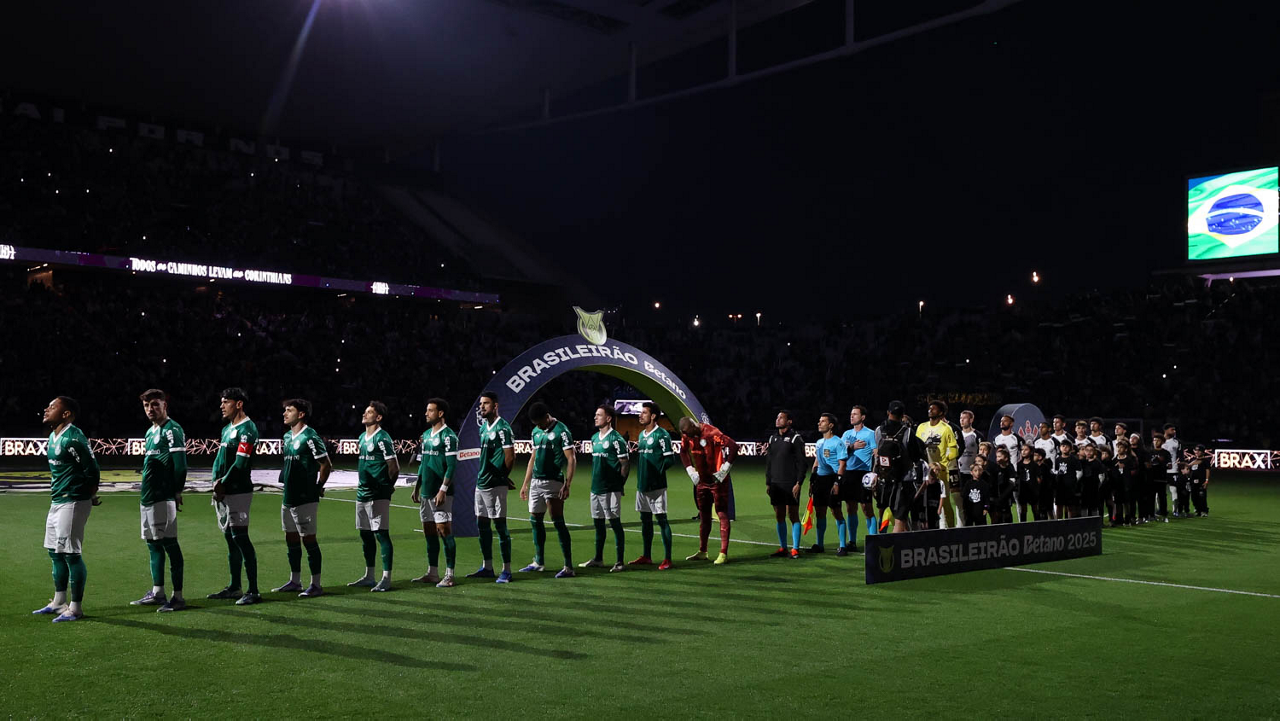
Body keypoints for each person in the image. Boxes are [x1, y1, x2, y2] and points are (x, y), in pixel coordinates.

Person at [33, 396, 100, 623]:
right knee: (55, 552)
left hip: (72, 502)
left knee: (72, 554)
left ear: (66, 414)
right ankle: (59, 601)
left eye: (52, 407)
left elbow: (92, 470)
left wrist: (89, 495)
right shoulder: (53, 436)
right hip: (57, 501)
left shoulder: (74, 438)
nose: (46, 409)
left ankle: (76, 608)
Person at [133, 389, 187, 612]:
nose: (150, 409)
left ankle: (178, 597)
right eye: (146, 405)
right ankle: (158, 593)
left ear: (165, 405)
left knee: (170, 544)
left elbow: (180, 466)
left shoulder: (172, 429)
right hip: (148, 496)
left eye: (155, 404)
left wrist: (176, 491)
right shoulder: (150, 432)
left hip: (163, 497)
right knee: (153, 544)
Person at [207, 387, 262, 606]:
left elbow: (240, 463)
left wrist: (222, 482)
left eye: (226, 402)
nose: (221, 406)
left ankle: (254, 590)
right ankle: (234, 587)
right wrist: (215, 481)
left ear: (239, 404)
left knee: (241, 538)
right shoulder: (226, 429)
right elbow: (219, 459)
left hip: (239, 491)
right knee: (230, 539)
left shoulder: (248, 429)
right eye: (221, 402)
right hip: (224, 492)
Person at [272, 398, 331, 598]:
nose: (285, 413)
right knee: (290, 538)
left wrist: (318, 486)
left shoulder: (310, 436)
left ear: (301, 414)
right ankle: (295, 581)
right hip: (288, 496)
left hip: (305, 497)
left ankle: (316, 584)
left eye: (289, 410)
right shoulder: (287, 437)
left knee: (309, 540)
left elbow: (325, 464)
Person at [518, 401, 576, 578]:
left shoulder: (562, 431)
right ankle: (539, 562)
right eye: (535, 424)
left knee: (558, 521)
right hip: (536, 481)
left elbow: (571, 458)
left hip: (553, 481)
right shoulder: (536, 432)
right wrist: (525, 484)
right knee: (535, 520)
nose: (538, 426)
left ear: (547, 417)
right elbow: (533, 458)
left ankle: (568, 566)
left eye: (540, 423)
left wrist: (567, 484)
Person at [350, 401, 399, 592]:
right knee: (365, 534)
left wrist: (387, 488)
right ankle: (369, 576)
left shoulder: (383, 438)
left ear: (378, 417)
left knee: (381, 534)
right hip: (362, 492)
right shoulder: (362, 437)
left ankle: (386, 578)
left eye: (369, 412)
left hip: (377, 495)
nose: (364, 414)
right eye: (365, 411)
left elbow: (394, 467)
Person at [467, 391, 515, 582]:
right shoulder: (483, 428)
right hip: (481, 482)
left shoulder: (503, 428)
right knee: (482, 525)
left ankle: (507, 570)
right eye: (481, 404)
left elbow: (510, 456)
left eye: (486, 403)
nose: (482, 407)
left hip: (495, 485)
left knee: (500, 526)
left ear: (495, 406)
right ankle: (487, 566)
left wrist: (502, 477)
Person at [412, 398, 459, 587]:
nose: (426, 413)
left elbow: (452, 466)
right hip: (426, 491)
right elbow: (423, 463)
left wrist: (443, 490)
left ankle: (450, 575)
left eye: (430, 410)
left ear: (440, 413)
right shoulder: (426, 435)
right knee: (429, 532)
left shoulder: (449, 436)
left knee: (444, 530)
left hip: (441, 493)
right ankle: (432, 573)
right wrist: (417, 487)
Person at [679, 416, 737, 565]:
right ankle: (702, 551)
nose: (687, 436)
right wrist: (690, 470)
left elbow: (733, 446)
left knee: (722, 513)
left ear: (694, 426)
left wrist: (724, 469)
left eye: (688, 433)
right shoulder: (687, 435)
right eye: (685, 434)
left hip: (717, 481)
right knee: (704, 516)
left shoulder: (712, 433)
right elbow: (683, 452)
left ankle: (723, 553)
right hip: (702, 482)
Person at [581, 405, 630, 572]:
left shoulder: (616, 439)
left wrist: (620, 485)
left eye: (599, 415)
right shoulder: (594, 438)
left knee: (615, 524)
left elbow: (625, 464)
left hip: (610, 489)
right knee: (598, 524)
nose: (595, 417)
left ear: (608, 418)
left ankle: (620, 562)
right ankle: (598, 559)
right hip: (595, 488)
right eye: (595, 414)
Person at [632, 401, 677, 569]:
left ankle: (668, 559)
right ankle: (647, 556)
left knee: (662, 520)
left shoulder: (662, 435)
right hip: (642, 485)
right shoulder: (641, 435)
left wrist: (656, 472)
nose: (640, 415)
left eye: (644, 413)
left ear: (653, 416)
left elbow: (670, 459)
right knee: (645, 520)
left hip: (656, 487)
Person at [874, 400, 928, 533]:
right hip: (904, 480)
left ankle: (889, 541)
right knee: (900, 518)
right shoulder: (907, 432)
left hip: (884, 479)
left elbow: (878, 452)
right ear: (902, 414)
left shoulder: (879, 430)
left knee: (887, 512)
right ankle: (895, 545)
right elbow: (916, 456)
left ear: (888, 412)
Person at [765, 410, 807, 558]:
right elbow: (769, 462)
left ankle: (795, 548)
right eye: (777, 417)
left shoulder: (796, 438)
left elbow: (802, 463)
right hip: (775, 483)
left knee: (793, 515)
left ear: (789, 421)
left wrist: (799, 483)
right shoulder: (773, 438)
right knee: (779, 515)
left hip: (790, 483)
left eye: (781, 417)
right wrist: (768, 482)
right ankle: (783, 547)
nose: (778, 419)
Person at [915, 400, 959, 530]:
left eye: (933, 409)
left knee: (944, 503)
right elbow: (916, 446)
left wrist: (943, 462)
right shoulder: (922, 427)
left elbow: (954, 449)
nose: (930, 410)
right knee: (922, 501)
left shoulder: (946, 428)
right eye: (929, 408)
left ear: (941, 412)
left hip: (940, 472)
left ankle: (951, 530)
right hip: (924, 471)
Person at [809, 413, 849, 554]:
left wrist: (837, 483)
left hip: (832, 480)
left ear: (831, 425)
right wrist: (812, 479)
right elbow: (817, 461)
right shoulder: (819, 442)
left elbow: (842, 465)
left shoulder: (838, 442)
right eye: (819, 421)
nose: (819, 423)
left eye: (823, 421)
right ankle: (819, 545)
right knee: (820, 512)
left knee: (836, 512)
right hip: (820, 480)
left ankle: (843, 546)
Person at [840, 405, 878, 540]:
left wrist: (875, 473)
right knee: (850, 508)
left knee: (867, 509)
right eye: (851, 414)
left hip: (863, 474)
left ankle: (874, 540)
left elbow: (876, 454)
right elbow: (840, 453)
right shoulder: (846, 434)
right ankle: (852, 541)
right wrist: (852, 447)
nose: (852, 416)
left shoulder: (870, 434)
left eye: (855, 414)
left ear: (863, 417)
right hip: (848, 473)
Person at [954, 409, 984, 527]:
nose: (961, 420)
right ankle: (962, 524)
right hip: (960, 472)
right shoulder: (957, 435)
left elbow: (983, 453)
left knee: (975, 499)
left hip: (972, 473)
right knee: (961, 500)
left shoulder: (977, 435)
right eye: (960, 418)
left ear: (971, 420)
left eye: (964, 418)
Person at [1112, 438, 1140, 526]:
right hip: (1117, 485)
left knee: (1127, 502)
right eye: (1118, 447)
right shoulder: (1114, 460)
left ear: (1126, 449)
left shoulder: (1129, 460)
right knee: (1118, 502)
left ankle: (1128, 518)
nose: (1119, 449)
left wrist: (1124, 468)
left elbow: (1133, 473)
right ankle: (1119, 519)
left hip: (1127, 485)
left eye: (1121, 447)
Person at [1147, 432, 1171, 523]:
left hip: (1161, 478)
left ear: (1162, 442)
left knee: (1162, 498)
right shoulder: (1149, 452)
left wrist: (1162, 462)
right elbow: (1146, 464)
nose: (1156, 442)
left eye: (1158, 440)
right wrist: (1149, 464)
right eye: (1154, 440)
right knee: (1151, 497)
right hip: (1151, 478)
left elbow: (1170, 466)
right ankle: (1151, 515)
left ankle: (1164, 515)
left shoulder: (1166, 453)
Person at [1054, 440, 1082, 519]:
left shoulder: (1074, 459)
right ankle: (1059, 523)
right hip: (1060, 486)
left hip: (1070, 487)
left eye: (1067, 446)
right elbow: (1056, 471)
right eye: (1063, 446)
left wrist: (1074, 481)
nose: (1065, 448)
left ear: (1071, 448)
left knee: (1070, 506)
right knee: (1059, 506)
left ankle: (1070, 523)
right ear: (1060, 448)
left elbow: (1079, 471)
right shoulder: (1057, 459)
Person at [961, 459, 992, 526]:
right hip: (970, 510)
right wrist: (964, 509)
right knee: (969, 526)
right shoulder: (968, 484)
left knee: (981, 527)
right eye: (975, 471)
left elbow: (986, 498)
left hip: (980, 510)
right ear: (971, 472)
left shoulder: (984, 484)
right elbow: (964, 497)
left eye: (979, 470)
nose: (978, 472)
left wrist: (986, 508)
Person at [990, 446, 1017, 524]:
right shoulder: (995, 468)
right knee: (997, 515)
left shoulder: (1010, 468)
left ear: (1006, 458)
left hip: (1006, 497)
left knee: (1007, 514)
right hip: (997, 497)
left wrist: (1003, 496)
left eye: (999, 457)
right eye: (997, 457)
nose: (997, 459)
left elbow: (1012, 483)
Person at [1078, 443, 1105, 518]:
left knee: (1094, 507)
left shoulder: (1098, 463)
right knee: (1083, 506)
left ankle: (1094, 522)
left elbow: (1101, 477)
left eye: (1091, 450)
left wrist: (1098, 485)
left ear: (1094, 452)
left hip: (1094, 488)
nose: (1089, 452)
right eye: (1087, 450)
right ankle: (1084, 521)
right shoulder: (1082, 462)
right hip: (1084, 488)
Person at [1018, 446, 1042, 521]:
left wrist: (1037, 488)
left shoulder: (1034, 465)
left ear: (1031, 452)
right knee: (1023, 509)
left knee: (1035, 509)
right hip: (1023, 490)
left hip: (1033, 490)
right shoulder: (1019, 464)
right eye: (1022, 449)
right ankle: (1023, 526)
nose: (1023, 451)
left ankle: (1037, 525)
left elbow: (1039, 478)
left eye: (1026, 450)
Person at [1163, 424, 1182, 516]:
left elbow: (1180, 455)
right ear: (1166, 430)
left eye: (1174, 430)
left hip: (1173, 470)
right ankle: (1161, 509)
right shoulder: (1159, 440)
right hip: (1161, 471)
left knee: (1174, 490)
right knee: (1159, 492)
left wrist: (1180, 463)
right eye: (1172, 429)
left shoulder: (1177, 442)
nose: (1174, 431)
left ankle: (1175, 510)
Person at [1190, 445, 1211, 516]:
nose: (1197, 452)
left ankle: (1204, 511)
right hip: (1193, 481)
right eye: (1196, 450)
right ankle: (1197, 509)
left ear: (1203, 452)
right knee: (1193, 497)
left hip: (1201, 481)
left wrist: (1206, 481)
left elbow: (1207, 470)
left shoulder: (1205, 461)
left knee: (1202, 496)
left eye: (1199, 450)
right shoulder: (1192, 460)